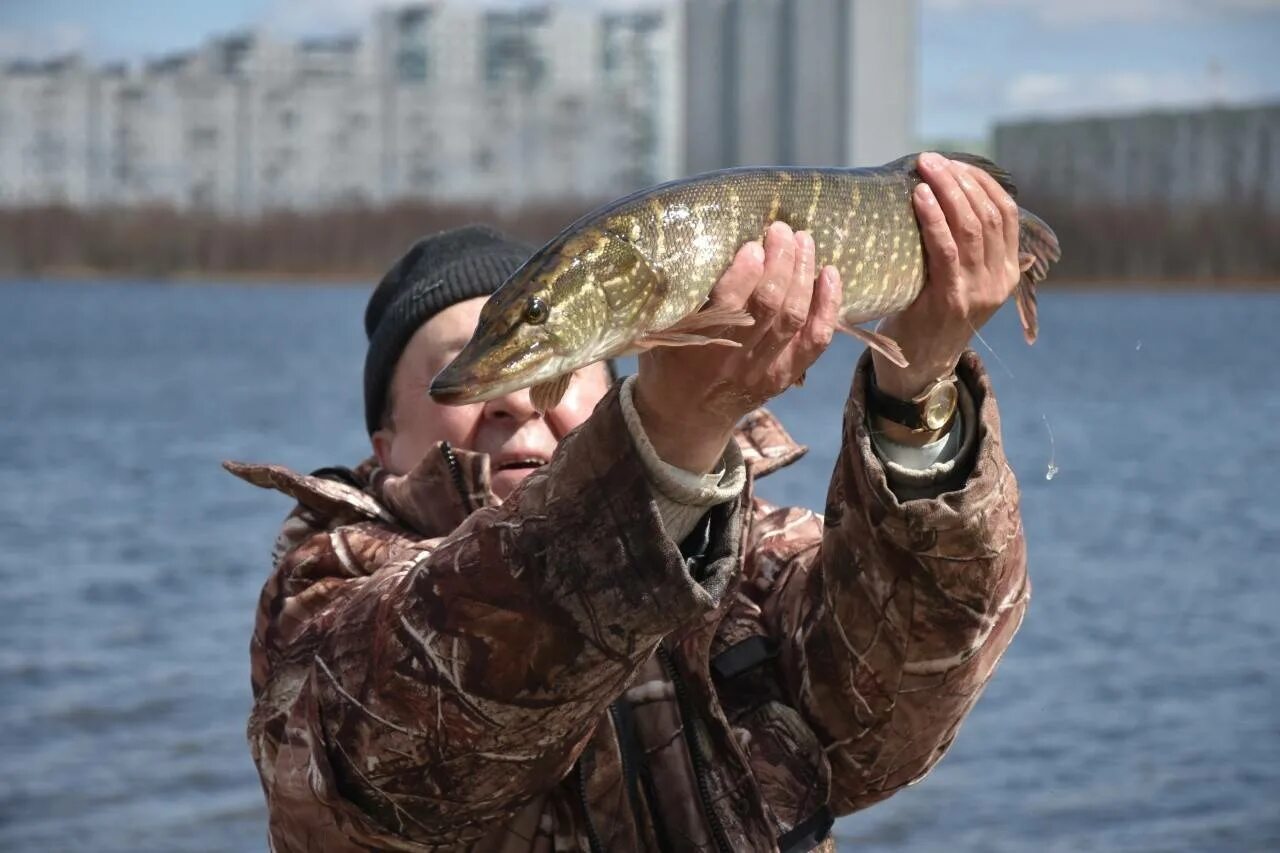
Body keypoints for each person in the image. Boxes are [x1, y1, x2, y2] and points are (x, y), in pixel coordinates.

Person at [226, 152, 1030, 852]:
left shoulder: (753, 568)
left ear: (621, 371)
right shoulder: (320, 593)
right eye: (462, 364)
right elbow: (402, 746)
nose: (517, 400)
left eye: (556, 366)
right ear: (384, 443)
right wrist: (673, 436)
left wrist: (916, 393)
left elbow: (889, 718)